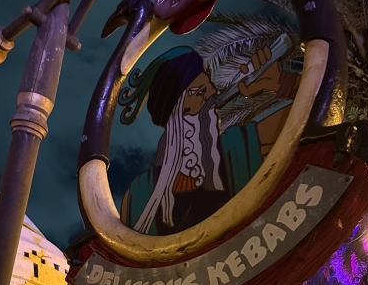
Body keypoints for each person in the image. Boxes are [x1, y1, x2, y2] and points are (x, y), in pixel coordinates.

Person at [119, 41, 300, 235]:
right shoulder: (138, 196)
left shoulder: (237, 148)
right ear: (177, 113)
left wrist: (280, 81)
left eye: (209, 84)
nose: (214, 93)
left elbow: (311, 113)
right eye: (200, 92)